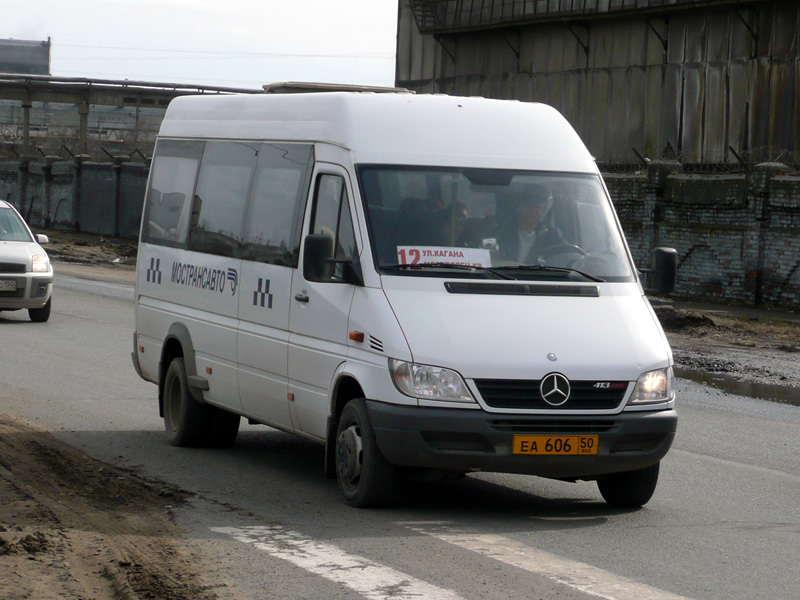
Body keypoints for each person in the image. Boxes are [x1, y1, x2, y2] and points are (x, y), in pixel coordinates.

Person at [497, 183, 564, 264]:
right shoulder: (502, 233)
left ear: (543, 210)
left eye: (537, 207)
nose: (533, 211)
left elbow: (564, 259)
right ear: (519, 208)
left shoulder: (553, 236)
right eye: (528, 206)